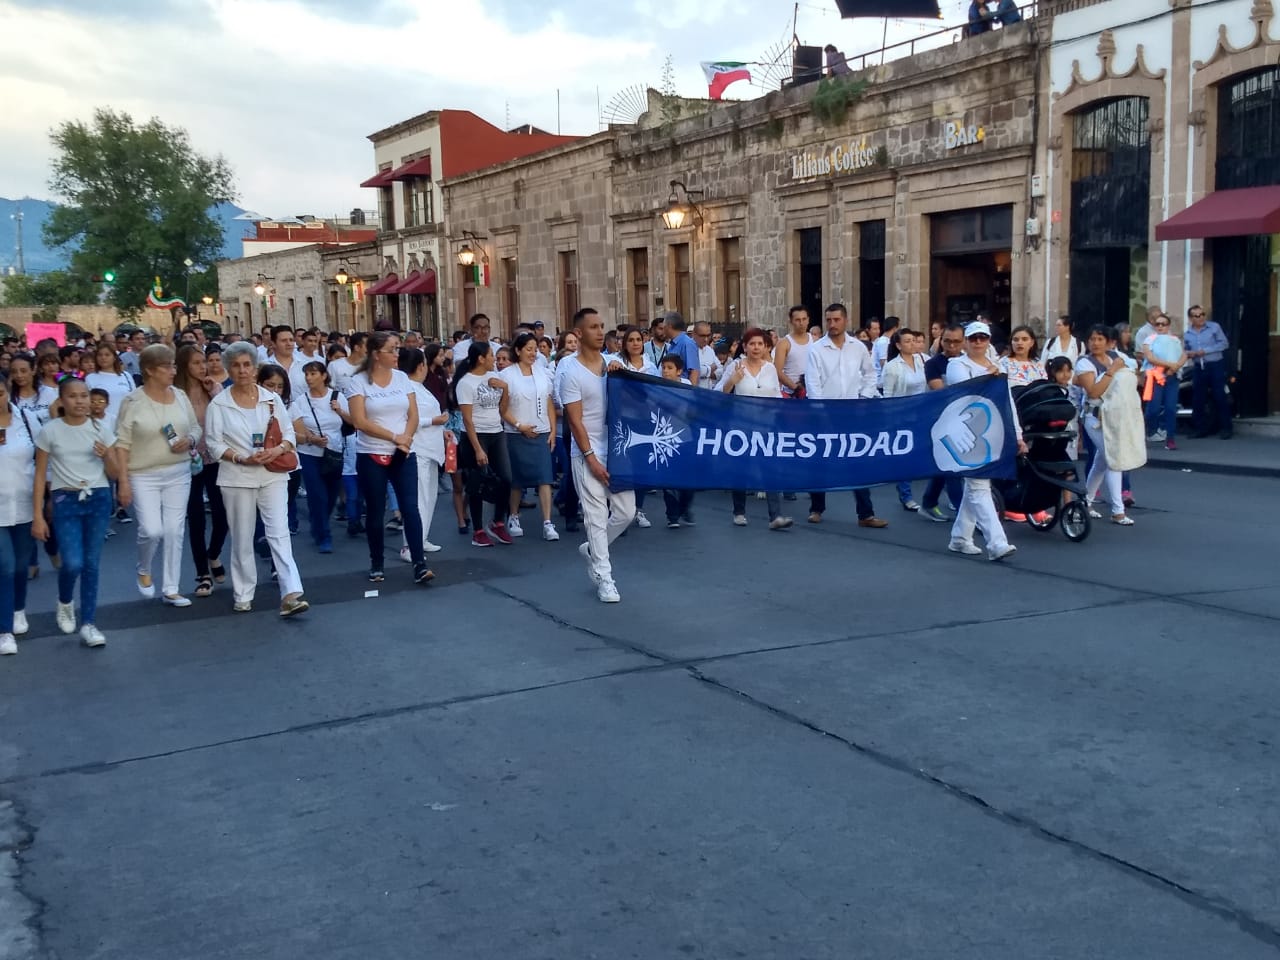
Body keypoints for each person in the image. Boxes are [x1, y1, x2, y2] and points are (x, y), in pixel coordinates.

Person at [204, 341, 310, 616]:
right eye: (236, 366)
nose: (242, 370)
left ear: (254, 367)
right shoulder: (220, 403)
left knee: (279, 533)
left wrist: (276, 449)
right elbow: (213, 444)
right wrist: (240, 458)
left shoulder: (271, 398)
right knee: (242, 536)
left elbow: (288, 435)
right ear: (229, 369)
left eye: (247, 365)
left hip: (273, 473)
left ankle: (291, 592)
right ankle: (243, 592)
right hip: (236, 477)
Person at [114, 344, 201, 608]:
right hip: (142, 474)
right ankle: (144, 567)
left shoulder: (180, 396)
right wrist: (123, 482)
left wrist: (190, 440)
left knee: (175, 529)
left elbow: (196, 427)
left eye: (174, 365)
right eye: (168, 366)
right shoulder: (133, 401)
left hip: (178, 470)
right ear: (150, 370)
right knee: (151, 530)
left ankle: (171, 588)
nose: (173, 371)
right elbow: (122, 444)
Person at [32, 378, 117, 647]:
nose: (79, 401)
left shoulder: (100, 428)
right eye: (72, 396)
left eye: (84, 396)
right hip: (65, 499)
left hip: (98, 497)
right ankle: (65, 600)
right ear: (62, 400)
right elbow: (39, 475)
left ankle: (89, 623)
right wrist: (37, 514)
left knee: (91, 563)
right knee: (72, 563)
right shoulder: (50, 431)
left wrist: (106, 456)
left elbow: (115, 473)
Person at [346, 331, 434, 584]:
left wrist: (405, 438)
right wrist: (394, 436)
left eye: (397, 349)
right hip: (371, 452)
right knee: (375, 510)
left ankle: (419, 563)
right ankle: (377, 562)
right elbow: (360, 421)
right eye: (392, 350)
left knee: (410, 507)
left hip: (403, 452)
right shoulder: (359, 382)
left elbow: (413, 414)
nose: (397, 354)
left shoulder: (402, 379)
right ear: (376, 354)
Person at [561, 308, 635, 602]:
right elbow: (575, 420)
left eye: (602, 326)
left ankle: (592, 549)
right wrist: (590, 457)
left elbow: (633, 401)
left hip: (617, 448)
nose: (600, 331)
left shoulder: (613, 363)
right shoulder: (570, 371)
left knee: (626, 511)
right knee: (595, 517)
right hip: (586, 451)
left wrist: (622, 378)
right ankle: (605, 577)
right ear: (579, 333)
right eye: (593, 327)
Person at [804, 303, 888, 529]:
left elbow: (870, 375)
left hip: (852, 412)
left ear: (846, 320)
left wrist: (864, 398)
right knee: (819, 462)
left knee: (857, 462)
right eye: (828, 320)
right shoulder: (816, 349)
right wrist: (820, 413)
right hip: (825, 412)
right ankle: (816, 508)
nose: (832, 324)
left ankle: (866, 513)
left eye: (836, 320)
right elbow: (813, 384)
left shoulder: (858, 347)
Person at [944, 321, 1024, 560]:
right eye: (974, 338)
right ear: (966, 341)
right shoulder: (956, 364)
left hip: (990, 433)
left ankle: (960, 537)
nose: (978, 342)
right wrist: (989, 376)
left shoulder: (997, 367)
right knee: (979, 486)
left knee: (976, 485)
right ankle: (997, 543)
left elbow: (1008, 404)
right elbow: (964, 391)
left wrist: (1018, 435)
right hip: (964, 435)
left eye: (983, 338)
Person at [721, 328, 793, 530]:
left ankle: (775, 516)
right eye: (752, 344)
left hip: (766, 426)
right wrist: (732, 381)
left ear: (766, 347)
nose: (756, 348)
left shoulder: (770, 368)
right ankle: (739, 511)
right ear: (745, 346)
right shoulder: (735, 366)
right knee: (741, 469)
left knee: (770, 468)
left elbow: (777, 394)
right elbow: (720, 393)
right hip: (741, 426)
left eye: (760, 344)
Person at [175, 344, 228, 598]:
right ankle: (202, 573)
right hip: (189, 460)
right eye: (196, 363)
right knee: (195, 517)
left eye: (203, 362)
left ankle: (214, 553)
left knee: (222, 514)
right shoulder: (175, 394)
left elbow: (226, 417)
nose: (202, 367)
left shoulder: (213, 389)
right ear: (185, 366)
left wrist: (214, 391)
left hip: (215, 458)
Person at [1074, 325, 1140, 526]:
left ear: (1109, 342)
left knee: (1101, 461)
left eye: (1100, 339)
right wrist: (1111, 371)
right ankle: (1118, 511)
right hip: (1094, 417)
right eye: (1092, 339)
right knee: (1113, 459)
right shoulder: (1084, 363)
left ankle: (1085, 502)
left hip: (1115, 416)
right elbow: (1094, 392)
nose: (1095, 343)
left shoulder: (1116, 356)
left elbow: (1134, 370)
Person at [453, 341, 514, 548]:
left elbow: (503, 409)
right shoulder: (465, 383)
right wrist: (478, 448)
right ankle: (477, 530)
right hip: (475, 436)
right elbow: (467, 419)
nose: (494, 360)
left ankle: (497, 522)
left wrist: (505, 389)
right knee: (477, 483)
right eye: (491, 356)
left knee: (506, 478)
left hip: (496, 432)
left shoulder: (494, 378)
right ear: (480, 358)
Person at [500, 333, 559, 542]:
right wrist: (519, 425)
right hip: (516, 434)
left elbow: (549, 402)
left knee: (545, 478)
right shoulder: (507, 375)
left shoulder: (542, 373)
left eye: (535, 349)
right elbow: (503, 408)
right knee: (517, 479)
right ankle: (513, 516)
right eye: (529, 349)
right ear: (518, 351)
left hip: (541, 431)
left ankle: (547, 523)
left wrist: (552, 430)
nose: (533, 353)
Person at [290, 361, 349, 554]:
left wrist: (339, 410)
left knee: (331, 495)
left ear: (324, 376)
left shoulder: (338, 397)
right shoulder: (300, 401)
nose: (309, 378)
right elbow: (296, 426)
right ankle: (324, 535)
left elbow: (353, 421)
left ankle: (318, 523)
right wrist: (311, 438)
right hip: (310, 454)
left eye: (313, 373)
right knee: (318, 496)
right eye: (306, 374)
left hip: (334, 453)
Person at [397, 347, 448, 561]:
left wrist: (443, 430)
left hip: (432, 448)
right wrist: (434, 421)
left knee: (430, 497)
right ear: (421, 366)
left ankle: (421, 537)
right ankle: (409, 545)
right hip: (418, 449)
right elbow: (408, 420)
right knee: (418, 500)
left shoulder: (421, 387)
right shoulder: (407, 389)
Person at [0, 373, 37, 655]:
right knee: (6, 566)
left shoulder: (26, 419)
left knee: (22, 565)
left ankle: (18, 608)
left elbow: (44, 457)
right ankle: (4, 630)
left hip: (25, 505)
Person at [881, 328, 927, 512]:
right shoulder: (892, 367)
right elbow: (888, 394)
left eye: (914, 340)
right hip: (901, 416)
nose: (912, 344)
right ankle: (906, 494)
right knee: (905, 455)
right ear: (899, 345)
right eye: (907, 341)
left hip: (922, 413)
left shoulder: (923, 360)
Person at [1183, 305, 1232, 439]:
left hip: (1215, 364)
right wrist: (1190, 353)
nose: (1201, 318)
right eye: (1197, 316)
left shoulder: (1214, 327)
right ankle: (1200, 428)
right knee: (1198, 398)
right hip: (1199, 366)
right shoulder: (1188, 334)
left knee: (1219, 396)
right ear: (1191, 318)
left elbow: (1224, 344)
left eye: (1202, 314)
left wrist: (1206, 350)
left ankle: (1226, 428)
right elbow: (1184, 349)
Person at [1141, 313, 1184, 450]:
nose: (1160, 326)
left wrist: (1175, 367)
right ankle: (1151, 431)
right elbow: (1150, 358)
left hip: (1172, 377)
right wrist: (1169, 365)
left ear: (1168, 326)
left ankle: (1170, 438)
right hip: (1155, 377)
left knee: (1171, 409)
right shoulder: (1149, 339)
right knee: (1152, 409)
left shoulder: (1175, 340)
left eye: (1163, 324)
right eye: (1157, 324)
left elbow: (1183, 355)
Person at [85, 343, 136, 432]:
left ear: (114, 357)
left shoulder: (126, 376)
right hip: (102, 425)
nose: (103, 358)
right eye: (100, 355)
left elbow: (134, 398)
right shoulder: (90, 378)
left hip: (125, 424)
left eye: (107, 355)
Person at [774, 306, 813, 398]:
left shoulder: (815, 341)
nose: (801, 323)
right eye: (797, 320)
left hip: (812, 391)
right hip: (791, 393)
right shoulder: (784, 343)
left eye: (804, 319)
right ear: (791, 321)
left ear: (808, 320)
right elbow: (778, 371)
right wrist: (796, 388)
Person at [663, 314, 702, 386]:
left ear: (669, 326)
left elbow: (694, 372)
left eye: (664, 326)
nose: (663, 329)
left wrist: (690, 393)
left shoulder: (687, 343)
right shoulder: (673, 344)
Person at [871, 315, 900, 391]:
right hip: (881, 380)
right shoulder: (883, 342)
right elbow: (883, 361)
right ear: (894, 328)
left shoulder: (886, 340)